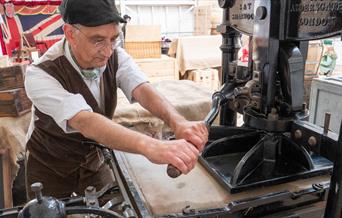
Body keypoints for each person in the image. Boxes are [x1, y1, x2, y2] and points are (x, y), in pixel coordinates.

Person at [24, 0, 208, 199]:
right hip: (49, 165)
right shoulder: (41, 73)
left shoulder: (116, 56)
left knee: (117, 207)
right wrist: (152, 146)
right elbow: (85, 121)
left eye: (114, 39)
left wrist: (177, 122)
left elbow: (142, 89)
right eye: (98, 40)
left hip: (92, 160)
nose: (108, 51)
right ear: (70, 33)